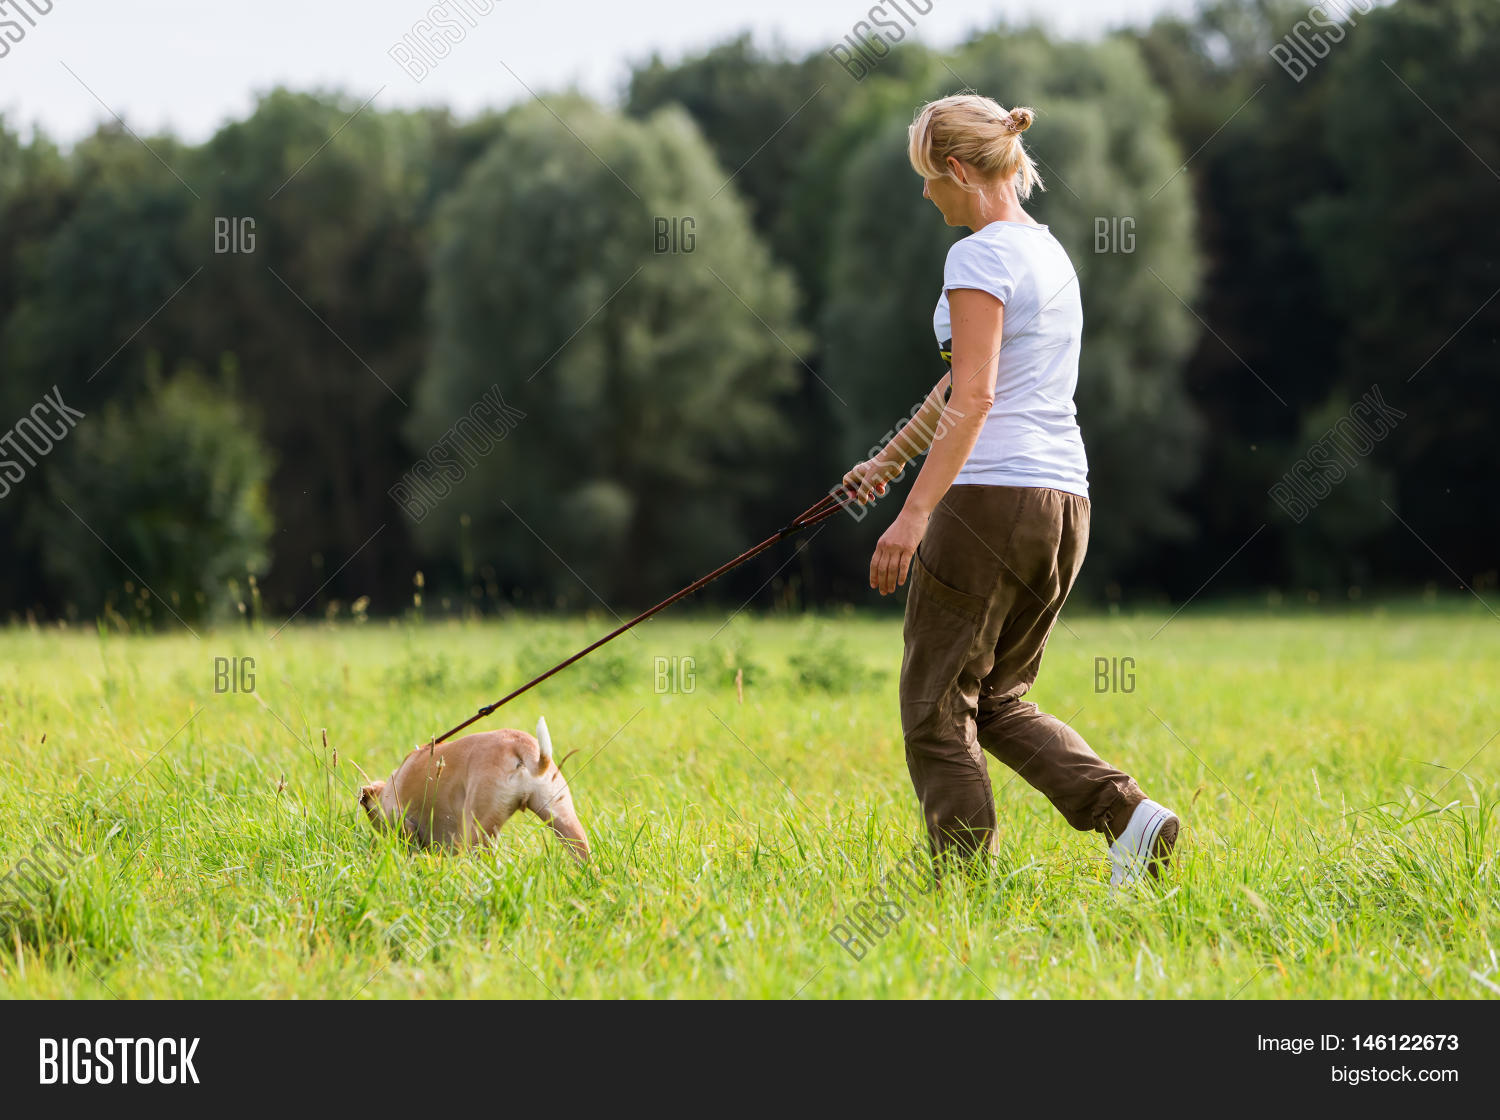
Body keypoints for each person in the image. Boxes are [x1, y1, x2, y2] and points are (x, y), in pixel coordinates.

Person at [843, 93, 1178, 887]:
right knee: (996, 700)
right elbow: (967, 382)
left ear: (959, 168)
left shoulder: (978, 256)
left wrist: (913, 516)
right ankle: (1129, 819)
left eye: (930, 178)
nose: (926, 195)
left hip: (989, 500)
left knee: (933, 705)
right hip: (1063, 502)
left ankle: (961, 891)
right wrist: (889, 461)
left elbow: (977, 397)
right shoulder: (1048, 253)